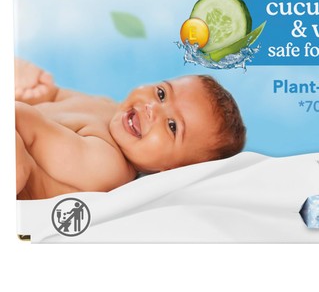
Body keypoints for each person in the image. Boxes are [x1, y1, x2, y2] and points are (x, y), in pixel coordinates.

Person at [15, 58, 246, 200]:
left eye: (172, 126)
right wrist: (37, 90)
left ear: (170, 170)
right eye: (161, 94)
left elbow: (32, 133)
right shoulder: (108, 106)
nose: (151, 109)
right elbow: (56, 98)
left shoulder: (108, 165)